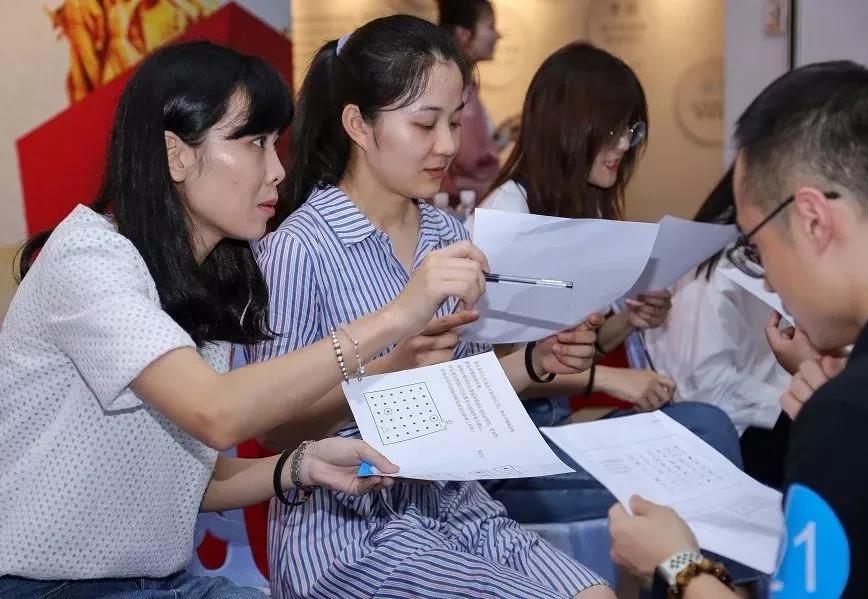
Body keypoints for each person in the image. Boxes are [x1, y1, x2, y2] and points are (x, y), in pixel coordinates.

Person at [0, 40, 490, 598]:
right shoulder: (89, 258)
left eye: (275, 144)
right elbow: (217, 412)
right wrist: (398, 316)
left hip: (163, 581)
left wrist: (301, 466)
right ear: (176, 154)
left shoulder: (208, 281)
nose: (277, 170)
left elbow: (194, 481)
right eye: (254, 143)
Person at [249, 16, 614, 599]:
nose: (446, 145)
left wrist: (536, 361)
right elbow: (273, 431)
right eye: (424, 124)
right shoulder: (299, 249)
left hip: (457, 506)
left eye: (455, 121)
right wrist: (390, 369)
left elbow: (460, 388)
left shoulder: (448, 234)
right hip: (350, 531)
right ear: (357, 125)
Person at [608, 61, 868, 598]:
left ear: (813, 220)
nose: (765, 276)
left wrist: (676, 564)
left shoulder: (852, 417)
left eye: (757, 244)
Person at [471, 42, 741, 524]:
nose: (623, 146)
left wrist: (629, 321)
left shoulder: (582, 207)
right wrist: (612, 379)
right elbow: (496, 372)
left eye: (631, 131)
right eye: (613, 131)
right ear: (567, 127)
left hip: (553, 432)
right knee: (704, 446)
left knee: (709, 425)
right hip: (510, 458)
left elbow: (575, 348)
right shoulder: (507, 216)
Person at [643, 167, 793, 488]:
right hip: (730, 428)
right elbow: (705, 387)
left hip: (761, 405)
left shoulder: (769, 253)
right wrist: (791, 400)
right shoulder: (714, 265)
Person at [436, 0, 512, 203]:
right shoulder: (456, 88)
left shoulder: (465, 84)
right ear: (463, 34)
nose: (497, 35)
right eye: (490, 26)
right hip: (458, 206)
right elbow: (470, 161)